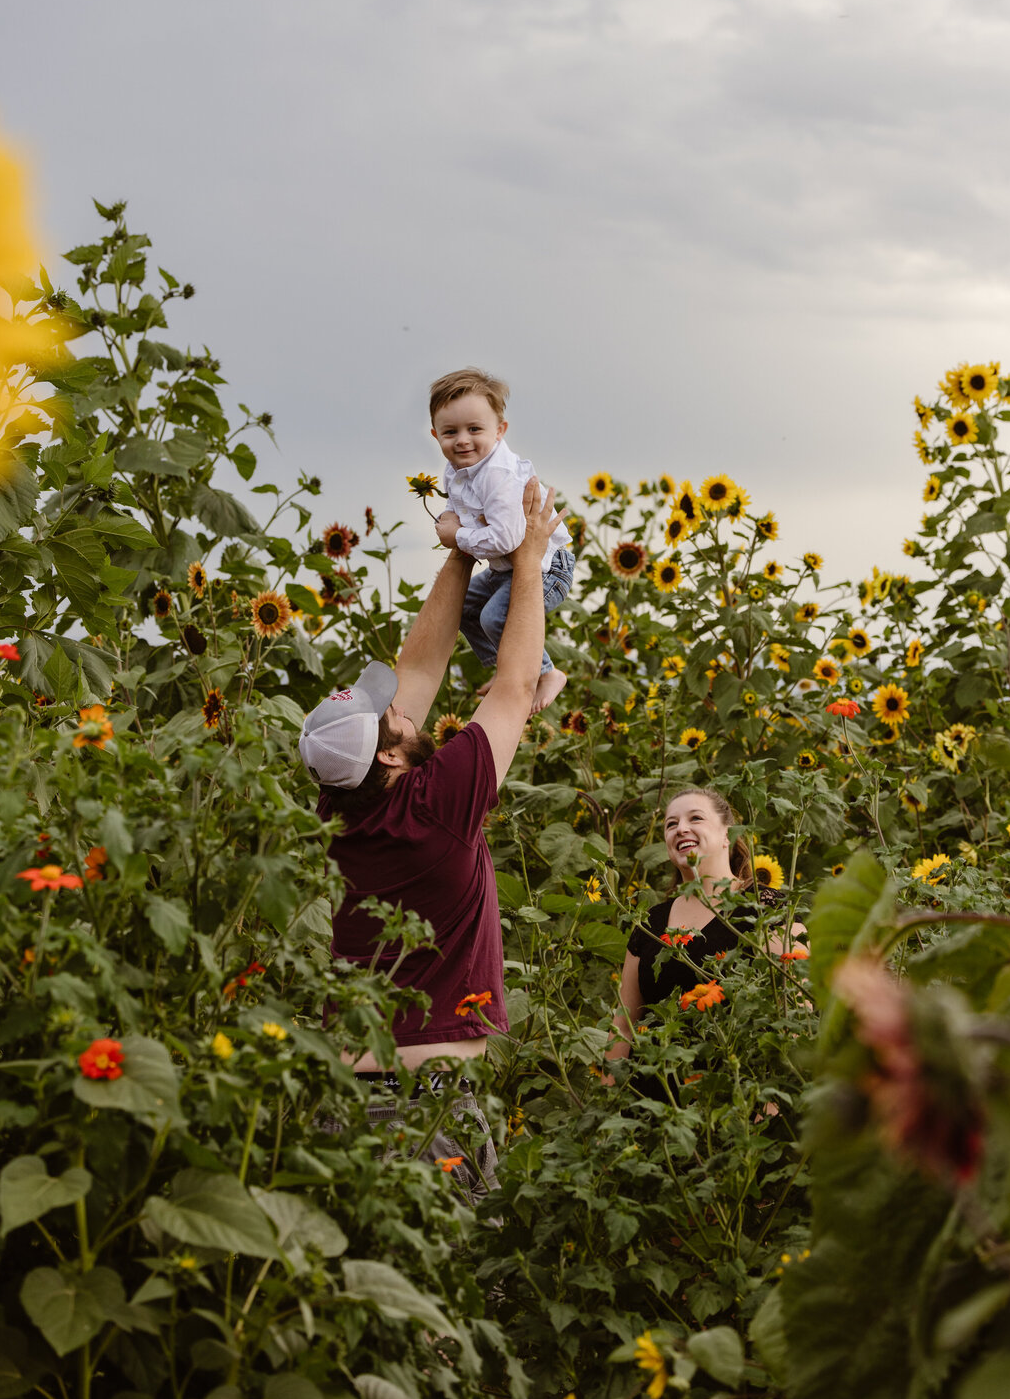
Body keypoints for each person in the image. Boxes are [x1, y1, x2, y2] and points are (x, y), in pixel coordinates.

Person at [300, 477, 561, 1202]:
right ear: (389, 754)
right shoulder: (437, 804)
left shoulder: (335, 807)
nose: (407, 709)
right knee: (446, 1302)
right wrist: (530, 559)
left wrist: (464, 550)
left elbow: (419, 668)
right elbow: (511, 687)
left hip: (341, 1101)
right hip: (427, 1106)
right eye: (396, 720)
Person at [605, 787, 807, 1067]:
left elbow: (795, 1017)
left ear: (727, 835)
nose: (680, 829)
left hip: (738, 1098)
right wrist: (606, 1102)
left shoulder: (765, 908)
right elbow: (623, 1029)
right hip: (652, 1098)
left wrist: (772, 1109)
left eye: (695, 818)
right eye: (671, 824)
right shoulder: (650, 923)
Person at [428, 366, 573, 714]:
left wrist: (457, 536)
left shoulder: (497, 475)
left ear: (499, 431)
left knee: (494, 618)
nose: (462, 439)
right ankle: (508, 668)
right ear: (435, 436)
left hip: (547, 569)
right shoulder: (458, 468)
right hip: (505, 571)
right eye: (451, 432)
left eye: (474, 429)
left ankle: (547, 673)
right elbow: (458, 502)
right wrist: (449, 515)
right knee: (463, 609)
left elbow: (508, 539)